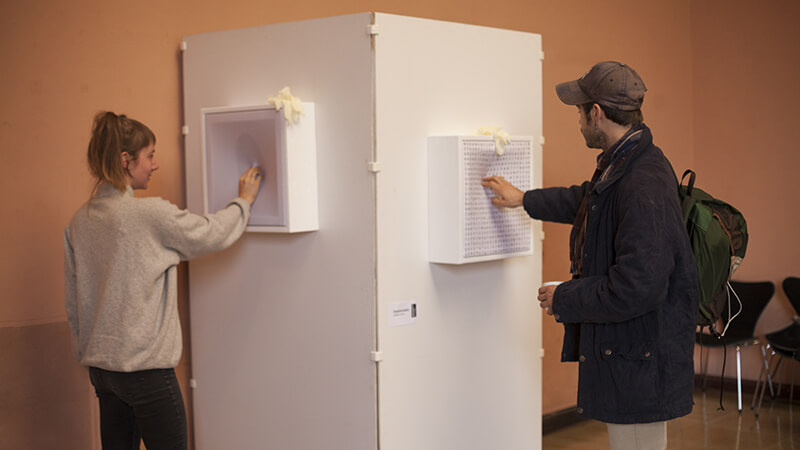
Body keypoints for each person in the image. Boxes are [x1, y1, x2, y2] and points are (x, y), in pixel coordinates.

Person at [482, 61, 699, 450]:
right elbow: (588, 200)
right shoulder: (629, 162)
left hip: (640, 361)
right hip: (636, 353)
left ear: (596, 113)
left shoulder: (641, 181)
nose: (578, 120)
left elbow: (637, 286)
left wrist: (565, 297)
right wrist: (524, 200)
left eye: (579, 111)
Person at [63, 111, 263, 450]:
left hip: (103, 372)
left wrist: (88, 353)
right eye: (150, 156)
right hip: (146, 373)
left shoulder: (78, 222)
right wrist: (243, 202)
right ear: (126, 160)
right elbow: (210, 233)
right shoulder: (148, 215)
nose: (155, 165)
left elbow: (73, 302)